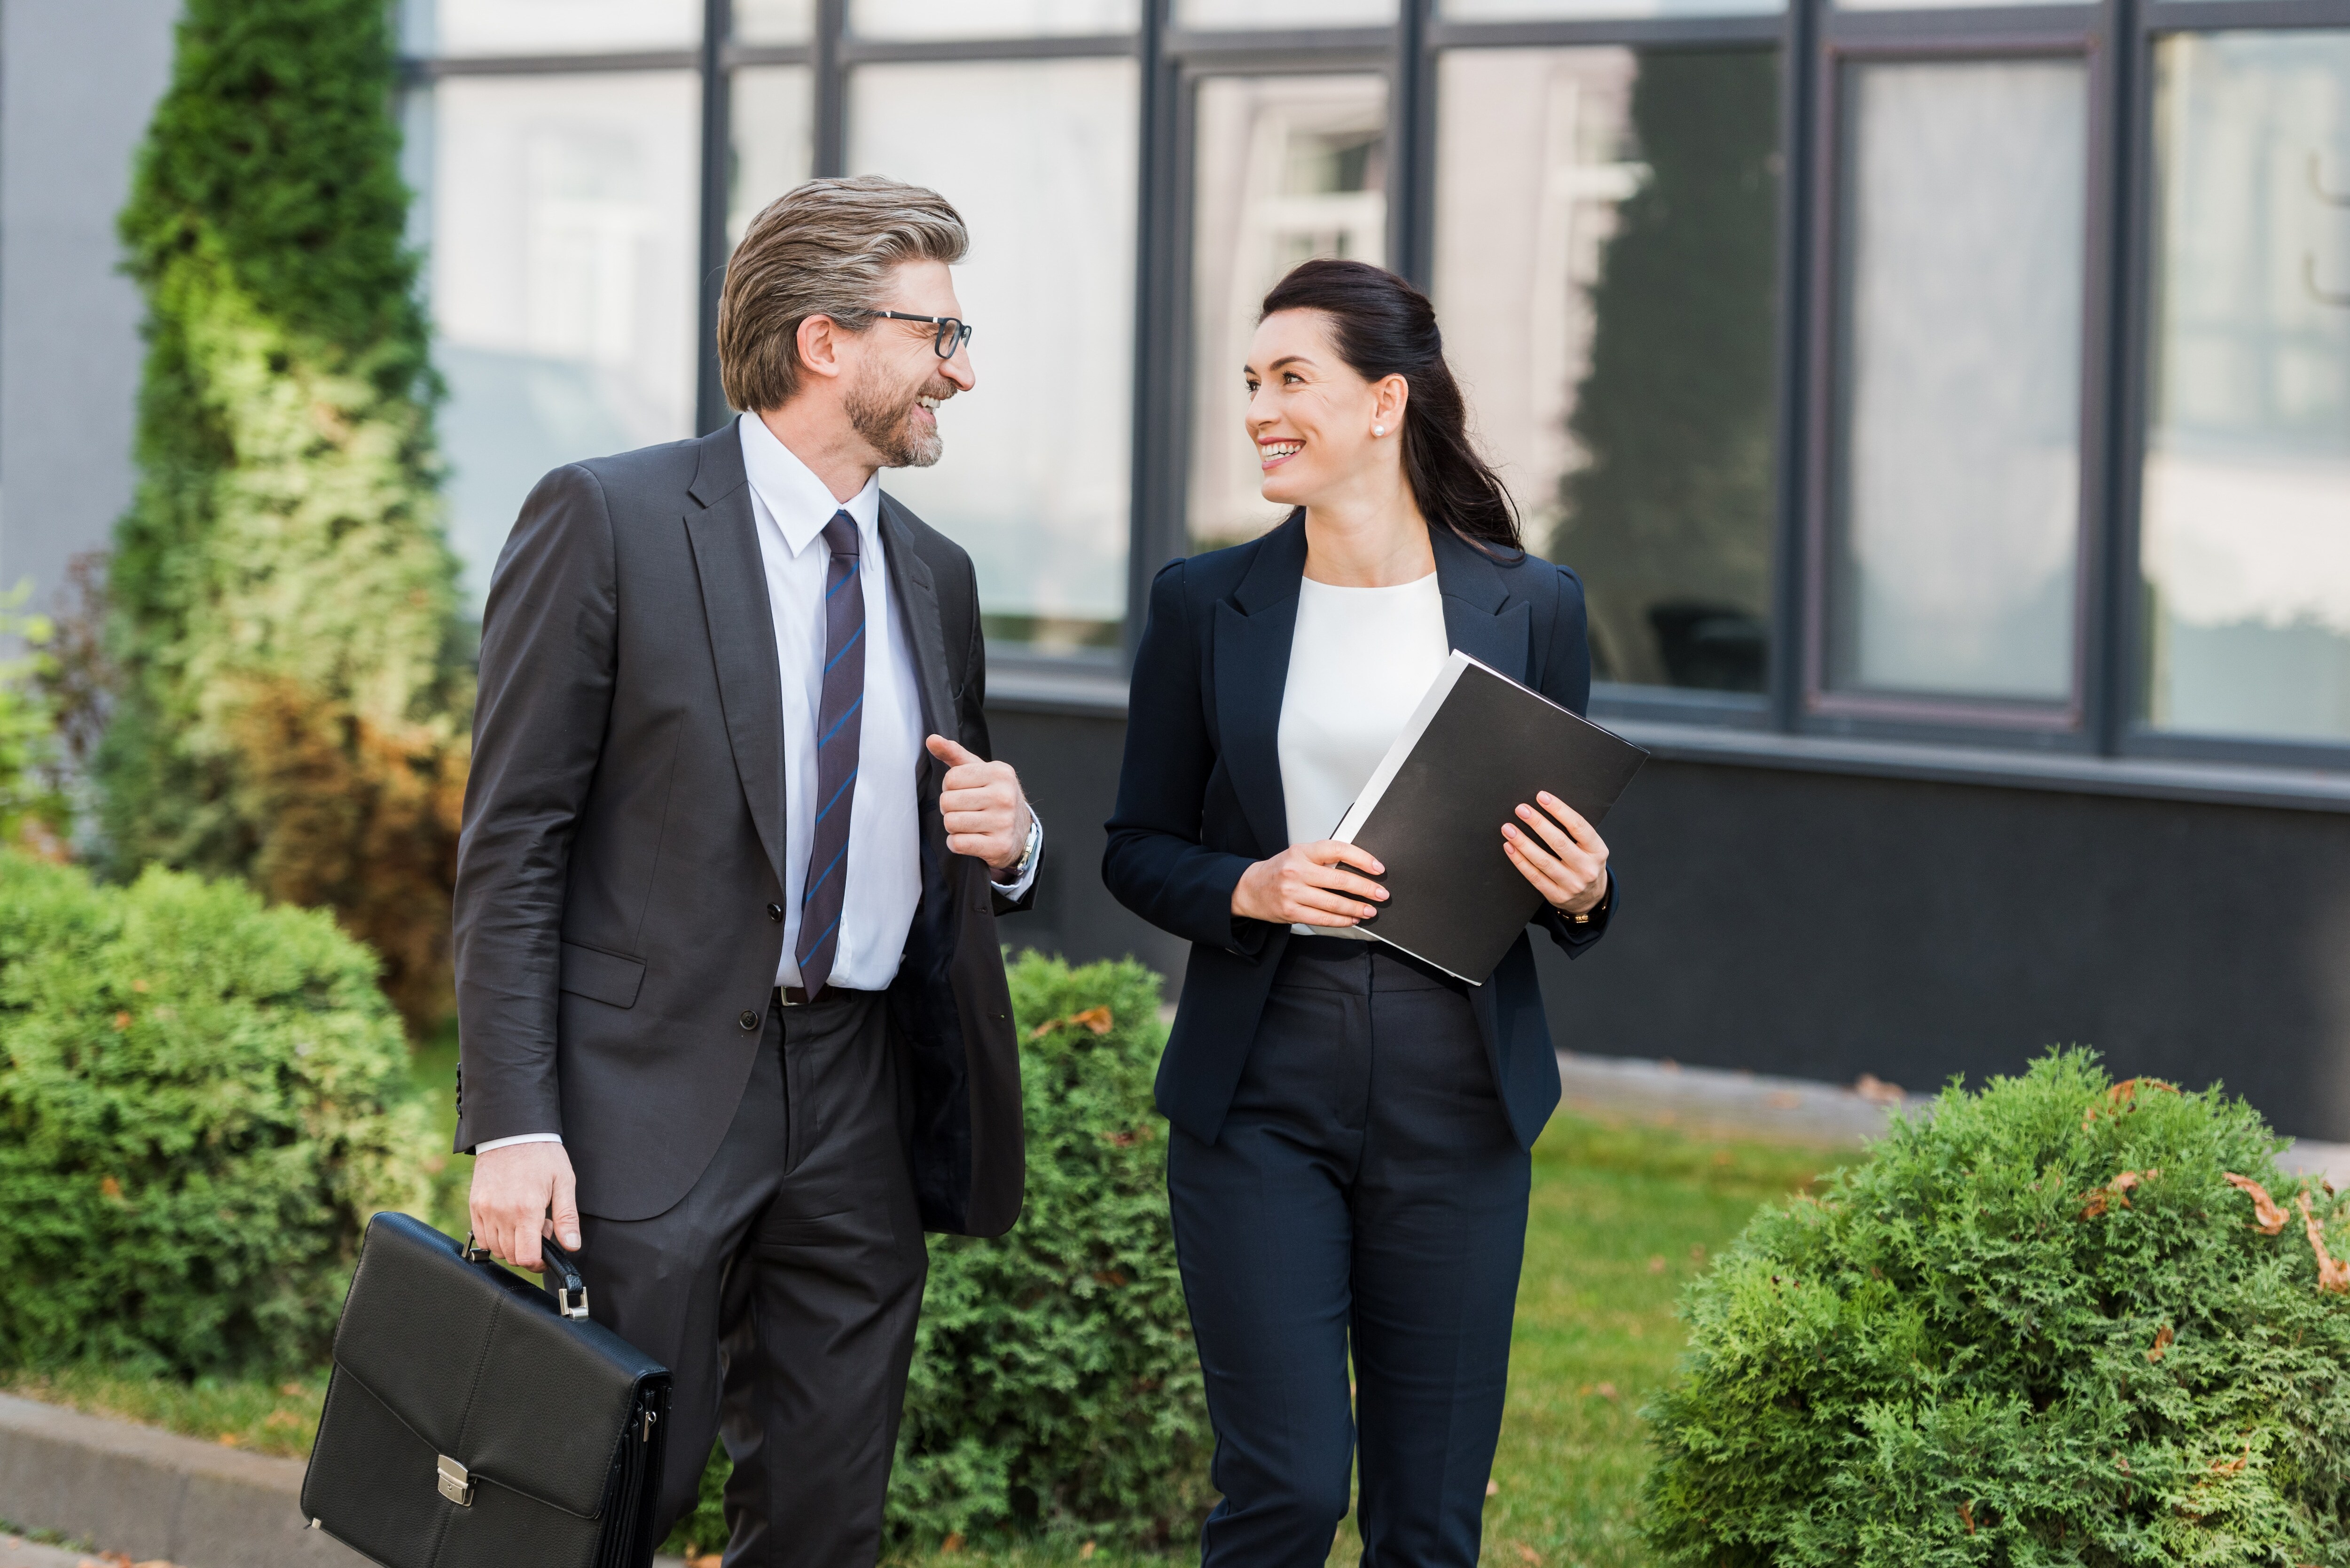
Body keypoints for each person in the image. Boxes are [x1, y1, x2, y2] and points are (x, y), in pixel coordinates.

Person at [453, 175, 1043, 1567]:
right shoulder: (606, 519)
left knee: (830, 1517)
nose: (963, 370)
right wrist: (515, 1121)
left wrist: (1013, 847)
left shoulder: (936, 575)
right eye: (939, 334)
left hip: (859, 1101)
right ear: (826, 340)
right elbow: (513, 845)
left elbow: (960, 827)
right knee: (601, 1504)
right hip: (639, 1100)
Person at [1103, 257, 1618, 1567]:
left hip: (1461, 1083)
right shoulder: (1202, 603)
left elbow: (1567, 859)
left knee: (1431, 1518)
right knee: (1282, 1487)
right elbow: (1134, 845)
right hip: (1263, 1079)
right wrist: (1248, 883)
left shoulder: (1531, 605)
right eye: (1252, 383)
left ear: (1386, 401)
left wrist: (1585, 889)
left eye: (1292, 380)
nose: (1261, 409)